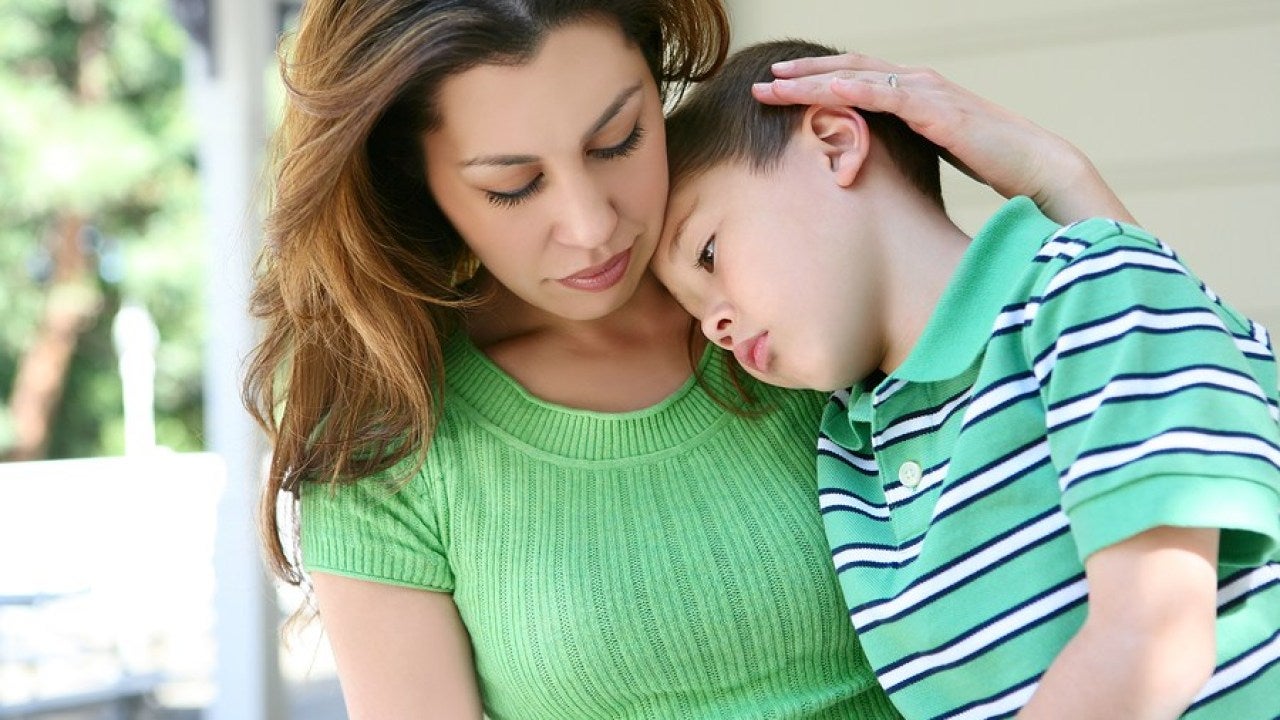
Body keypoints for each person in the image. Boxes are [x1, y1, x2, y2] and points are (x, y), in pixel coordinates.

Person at [242, 1, 1139, 718]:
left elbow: (1170, 425)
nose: (593, 225)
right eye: (511, 185)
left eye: (620, 139)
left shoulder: (794, 300)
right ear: (419, 187)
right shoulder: (393, 438)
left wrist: (1060, 178)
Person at [651, 39, 1280, 720]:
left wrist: (1056, 173)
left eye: (708, 254)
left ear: (834, 143)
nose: (713, 324)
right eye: (692, 312)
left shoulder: (1087, 288)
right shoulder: (849, 454)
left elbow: (1157, 635)